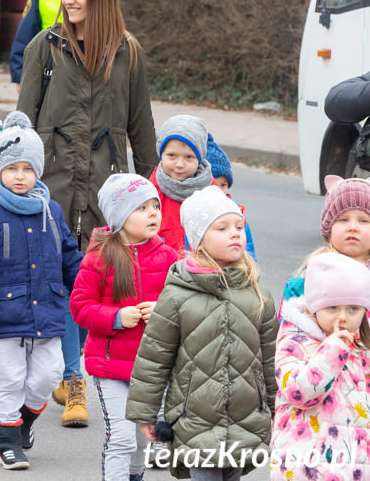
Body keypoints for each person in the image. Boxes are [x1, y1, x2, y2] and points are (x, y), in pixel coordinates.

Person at [17, 0, 159, 427]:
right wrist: (16, 178)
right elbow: (22, 122)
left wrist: (156, 191)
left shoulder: (128, 53)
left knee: (94, 283)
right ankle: (67, 377)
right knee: (56, 285)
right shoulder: (45, 47)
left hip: (107, 191)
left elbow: (141, 128)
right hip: (52, 188)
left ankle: (79, 378)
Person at [126, 186, 277, 481]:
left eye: (238, 226)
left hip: (245, 418)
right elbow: (154, 358)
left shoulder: (257, 293)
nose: (235, 233)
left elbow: (271, 359)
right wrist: (146, 413)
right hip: (194, 419)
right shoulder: (178, 294)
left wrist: (277, 409)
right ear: (199, 241)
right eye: (222, 227)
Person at [0, 111, 82, 470]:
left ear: (38, 172)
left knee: (49, 375)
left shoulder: (51, 210)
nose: (19, 177)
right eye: (12, 169)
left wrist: (88, 288)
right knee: (10, 378)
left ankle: (24, 418)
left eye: (27, 169)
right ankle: (5, 435)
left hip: (47, 310)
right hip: (4, 312)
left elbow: (68, 257)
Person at [70, 174, 178, 481]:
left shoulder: (169, 257)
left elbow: (182, 306)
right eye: (141, 208)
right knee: (121, 437)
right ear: (119, 217)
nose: (153, 213)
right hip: (110, 366)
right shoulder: (99, 258)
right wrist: (117, 318)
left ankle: (134, 476)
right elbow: (80, 307)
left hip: (152, 368)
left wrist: (163, 309)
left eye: (155, 206)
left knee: (143, 440)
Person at [271, 252, 370, 479]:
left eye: (353, 308)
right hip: (306, 465)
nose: (343, 317)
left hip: (352, 465)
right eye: (332, 308)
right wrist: (332, 350)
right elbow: (299, 392)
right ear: (316, 306)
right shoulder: (295, 340)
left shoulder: (359, 346)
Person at [281, 175, 370, 306]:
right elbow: (289, 317)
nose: (352, 228)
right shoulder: (312, 274)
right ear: (329, 227)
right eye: (343, 220)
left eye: (363, 221)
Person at [151, 115, 218, 256]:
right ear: (160, 154)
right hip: (161, 272)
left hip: (201, 271)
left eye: (189, 157)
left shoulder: (212, 193)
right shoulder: (150, 193)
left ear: (199, 158)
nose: (179, 164)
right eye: (171, 155)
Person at [205, 133, 256, 257]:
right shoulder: (195, 214)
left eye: (223, 185)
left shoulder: (236, 213)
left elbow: (248, 254)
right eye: (213, 184)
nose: (219, 191)